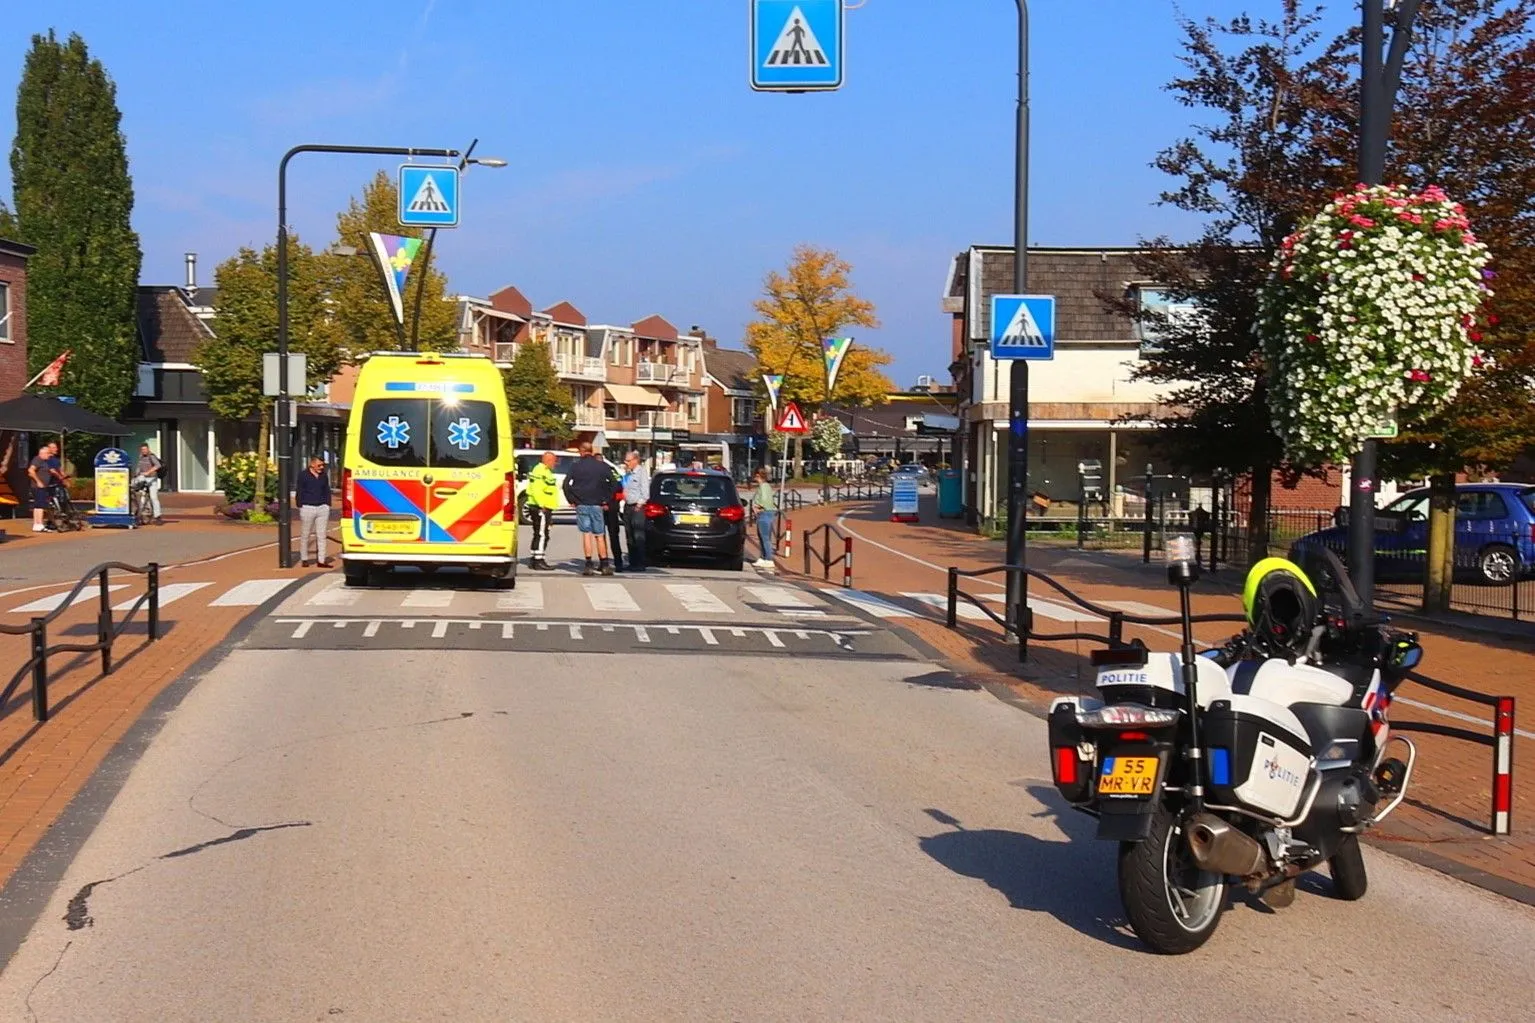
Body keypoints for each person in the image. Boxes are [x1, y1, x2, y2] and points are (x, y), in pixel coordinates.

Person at [562, 441, 614, 576]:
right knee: (600, 535)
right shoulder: (602, 466)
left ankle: (589, 564)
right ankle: (604, 564)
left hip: (582, 503)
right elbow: (614, 483)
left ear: (581, 451)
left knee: (586, 534)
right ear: (591, 451)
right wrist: (606, 499)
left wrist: (572, 499)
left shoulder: (576, 466)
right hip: (597, 503)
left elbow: (566, 484)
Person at [295, 455, 333, 567]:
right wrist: (300, 505)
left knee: (321, 535)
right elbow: (299, 490)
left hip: (322, 508)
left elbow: (326, 490)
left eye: (322, 465)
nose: (321, 467)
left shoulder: (324, 476)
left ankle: (321, 560)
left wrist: (327, 504)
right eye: (319, 465)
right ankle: (304, 559)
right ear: (312, 464)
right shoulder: (303, 475)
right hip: (308, 507)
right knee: (305, 534)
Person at [526, 451, 560, 571]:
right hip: (540, 507)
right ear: (548, 460)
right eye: (554, 461)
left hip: (544, 506)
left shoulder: (545, 471)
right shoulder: (539, 471)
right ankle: (538, 560)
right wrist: (541, 505)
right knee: (542, 534)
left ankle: (535, 557)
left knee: (540, 533)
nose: (555, 464)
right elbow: (536, 489)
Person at [621, 449, 651, 573]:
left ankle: (640, 563)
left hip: (637, 507)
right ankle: (632, 562)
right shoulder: (629, 473)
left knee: (638, 536)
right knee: (629, 536)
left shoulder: (641, 472)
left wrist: (639, 504)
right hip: (628, 507)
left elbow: (645, 492)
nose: (625, 463)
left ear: (635, 460)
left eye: (628, 460)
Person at [745, 467, 777, 568]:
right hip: (765, 513)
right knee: (762, 536)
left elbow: (765, 500)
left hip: (765, 514)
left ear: (758, 475)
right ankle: (763, 557)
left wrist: (757, 506)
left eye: (755, 475)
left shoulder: (764, 486)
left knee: (765, 537)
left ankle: (768, 559)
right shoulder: (764, 486)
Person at [28, 440, 63, 533]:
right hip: (38, 486)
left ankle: (37, 524)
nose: (49, 455)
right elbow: (31, 471)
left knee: (39, 505)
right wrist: (38, 482)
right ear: (42, 453)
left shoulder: (45, 461)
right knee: (40, 505)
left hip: (43, 486)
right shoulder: (38, 459)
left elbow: (52, 471)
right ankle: (38, 524)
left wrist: (61, 478)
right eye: (47, 453)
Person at [604, 458, 626, 571]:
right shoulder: (612, 471)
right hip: (612, 505)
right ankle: (617, 562)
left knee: (602, 535)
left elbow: (619, 487)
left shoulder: (606, 471)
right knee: (613, 535)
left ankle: (607, 562)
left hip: (606, 505)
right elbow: (619, 486)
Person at [134, 442, 165, 525]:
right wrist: (136, 474)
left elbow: (158, 465)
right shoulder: (141, 457)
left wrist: (149, 472)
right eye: (142, 450)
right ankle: (138, 514)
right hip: (143, 477)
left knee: (153, 497)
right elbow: (139, 467)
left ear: (148, 449)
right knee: (135, 491)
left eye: (145, 449)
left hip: (151, 478)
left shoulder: (152, 456)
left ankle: (158, 517)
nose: (143, 451)